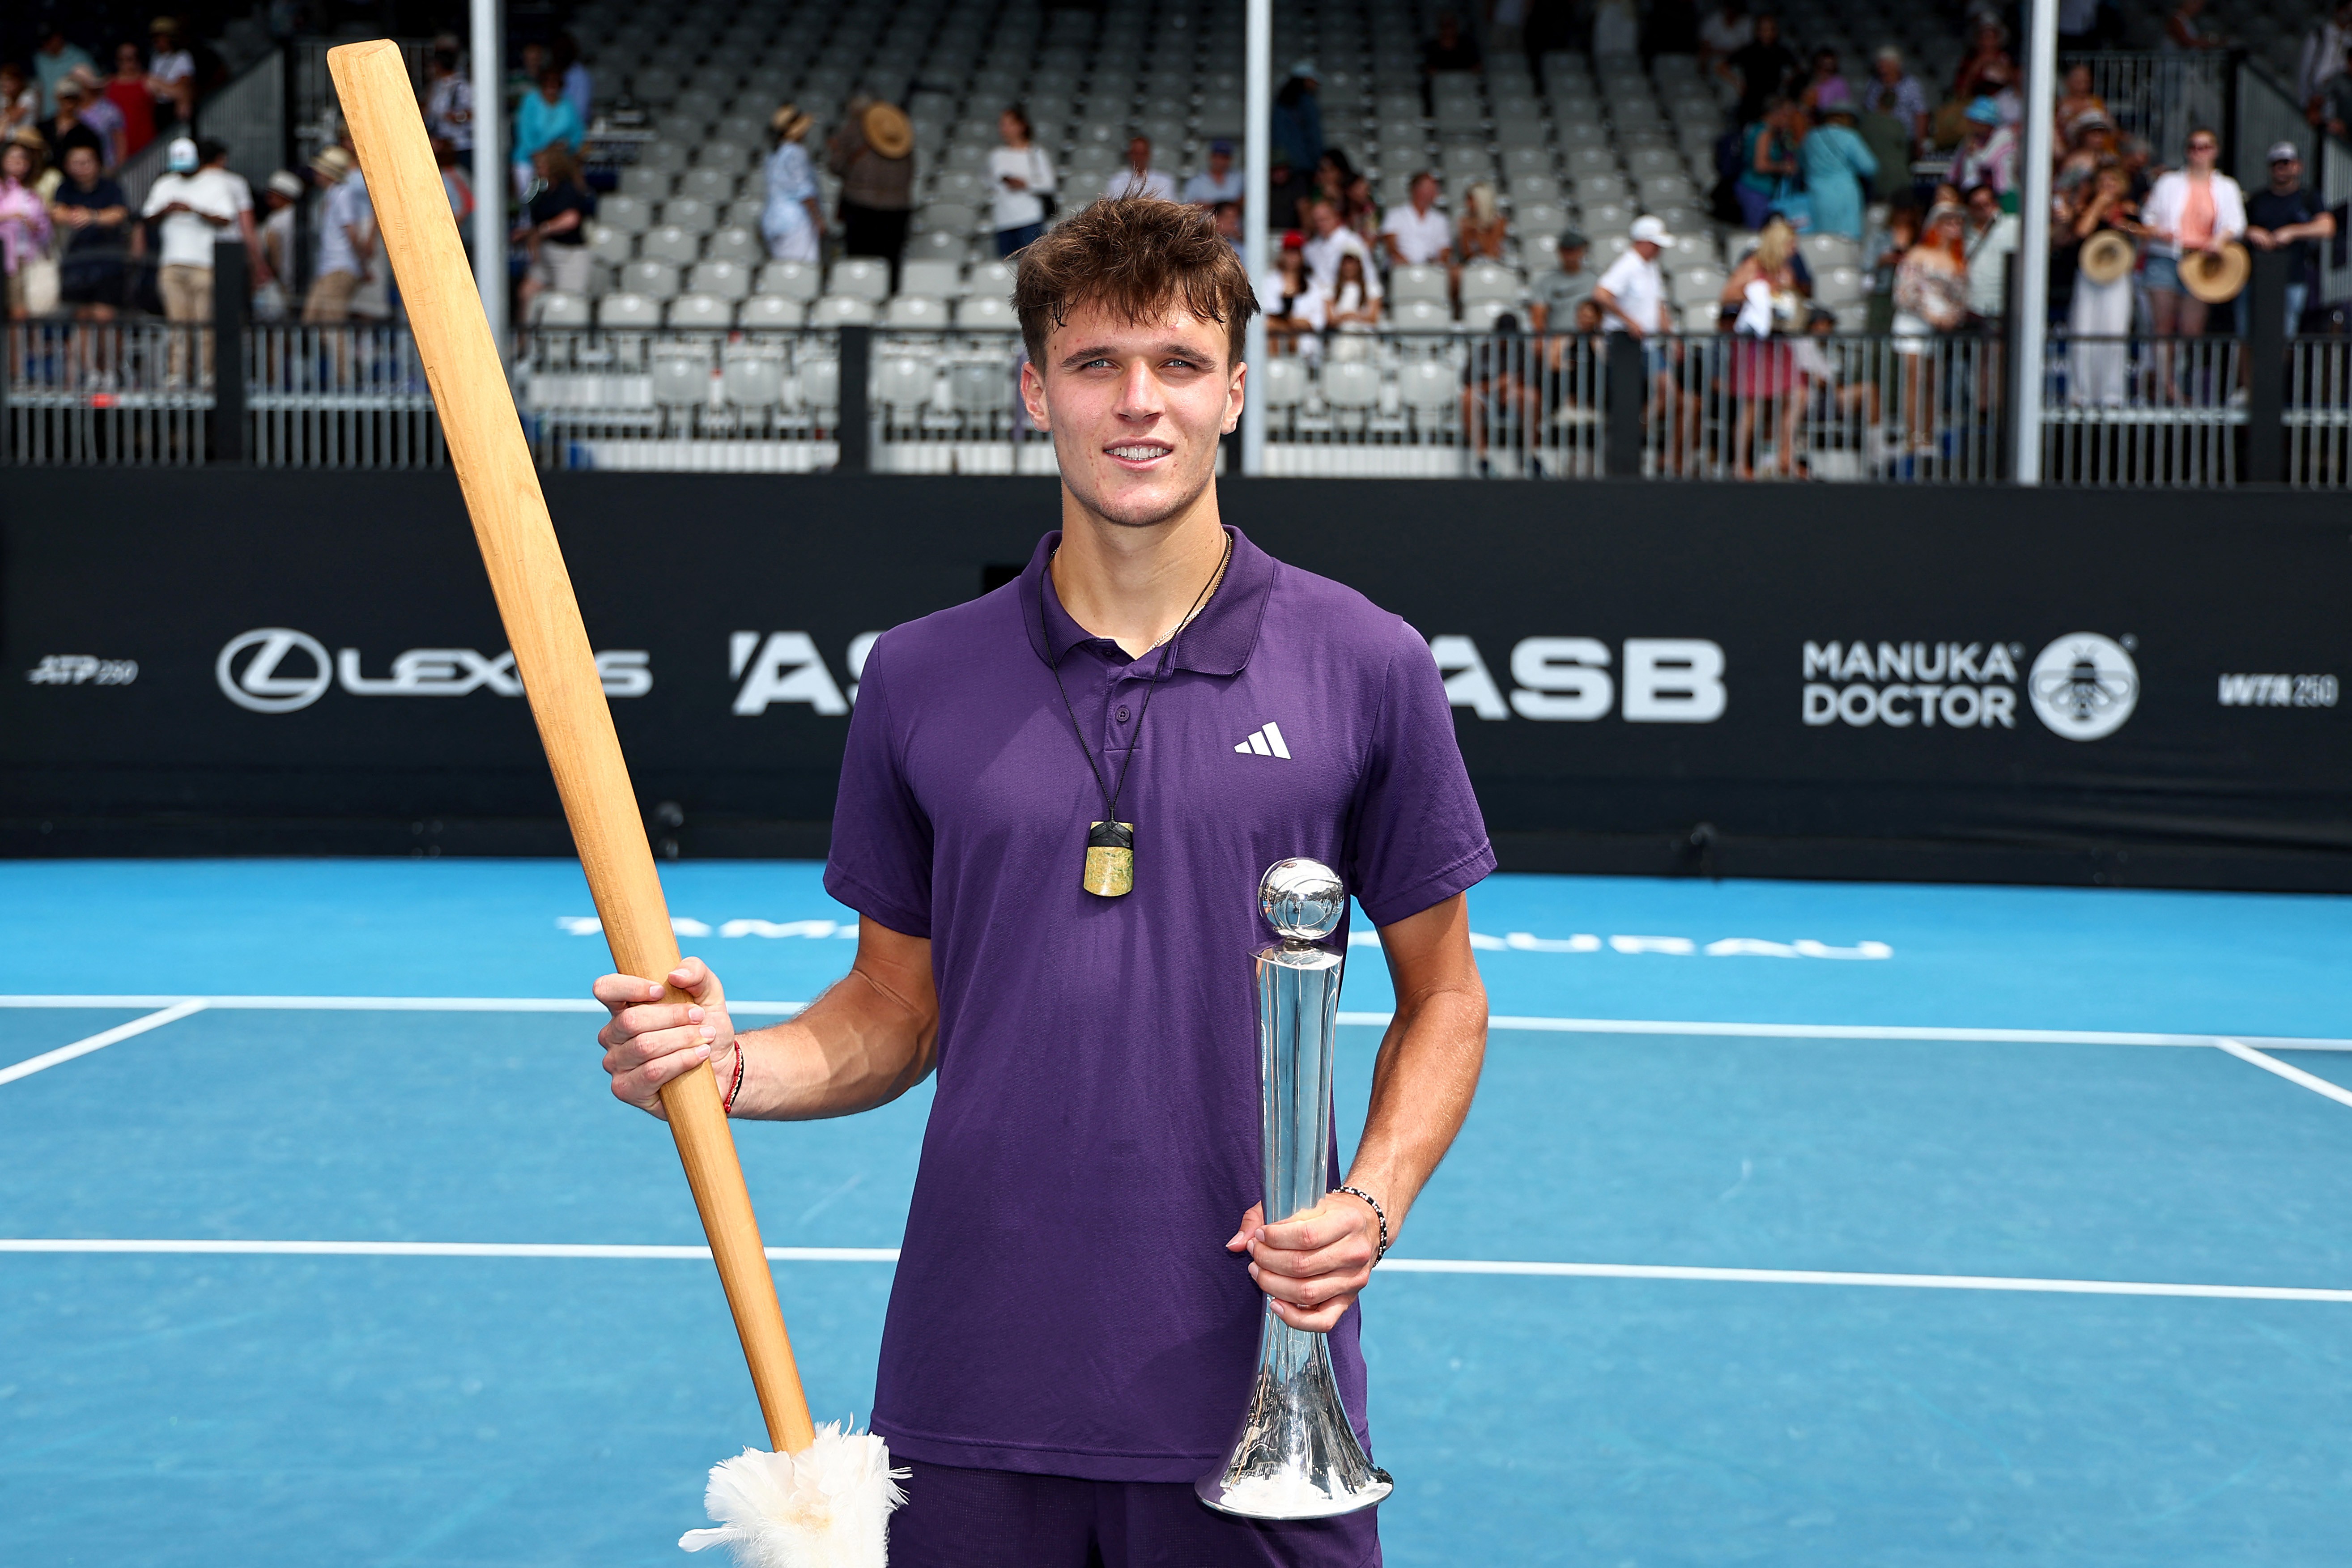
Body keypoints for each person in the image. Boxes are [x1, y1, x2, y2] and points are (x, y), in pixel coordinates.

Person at [593, 193, 1491, 1568]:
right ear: (1035, 390)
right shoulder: (918, 674)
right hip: (971, 1389)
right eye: (1095, 365)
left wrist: (1367, 1201)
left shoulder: (1367, 662)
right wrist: (732, 1063)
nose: (1140, 405)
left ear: (1236, 391)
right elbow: (895, 1006)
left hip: (1254, 1390)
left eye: (1180, 365)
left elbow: (1446, 997)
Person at [2140, 127, 2245, 393]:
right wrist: (2160, 232)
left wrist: (2218, 241)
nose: (2200, 153)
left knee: (2191, 329)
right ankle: (2165, 384)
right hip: (2167, 257)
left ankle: (2183, 383)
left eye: (2206, 147)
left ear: (2216, 151)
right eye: (2195, 147)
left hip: (2202, 262)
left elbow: (2236, 223)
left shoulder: (2227, 186)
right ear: (2187, 152)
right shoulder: (2168, 182)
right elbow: (2148, 216)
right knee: (2162, 325)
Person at [1595, 214, 1694, 468]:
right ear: (1643, 242)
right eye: (1656, 244)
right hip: (1627, 345)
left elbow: (1658, 304)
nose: (1660, 250)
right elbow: (1601, 294)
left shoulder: (1650, 267)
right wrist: (1629, 321)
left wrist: (1671, 338)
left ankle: (1640, 437)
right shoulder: (1627, 264)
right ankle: (1632, 435)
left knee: (1671, 396)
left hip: (1647, 344)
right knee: (1667, 392)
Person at [141, 136, 237, 379]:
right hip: (171, 263)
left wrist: (193, 209)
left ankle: (206, 374)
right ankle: (178, 375)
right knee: (177, 323)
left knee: (204, 322)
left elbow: (227, 218)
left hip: (204, 264)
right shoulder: (165, 184)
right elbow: (147, 218)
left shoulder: (215, 184)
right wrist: (167, 209)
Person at [1721, 215, 1803, 479]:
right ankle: (1739, 464)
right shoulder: (1753, 265)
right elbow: (1727, 295)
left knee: (1798, 394)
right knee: (1752, 405)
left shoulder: (1785, 271)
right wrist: (1756, 293)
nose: (1795, 249)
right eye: (1791, 244)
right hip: (1754, 344)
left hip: (1779, 340)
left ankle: (1785, 455)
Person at [1891, 202, 1968, 450]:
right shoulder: (1918, 254)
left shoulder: (1958, 261)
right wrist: (1930, 315)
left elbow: (1961, 299)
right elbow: (1903, 293)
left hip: (1937, 330)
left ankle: (1928, 435)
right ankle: (1912, 436)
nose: (1953, 227)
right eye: (1948, 222)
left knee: (1933, 382)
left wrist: (1952, 318)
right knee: (1916, 378)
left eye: (1957, 222)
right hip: (1913, 323)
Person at [2065, 162, 2141, 406]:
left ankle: (2112, 392)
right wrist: (2098, 205)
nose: (2109, 186)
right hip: (2089, 273)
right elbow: (2082, 231)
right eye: (2104, 181)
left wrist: (2126, 224)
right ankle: (2080, 392)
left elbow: (2148, 232)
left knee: (2115, 331)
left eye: (2114, 181)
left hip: (2118, 275)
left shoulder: (2129, 211)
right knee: (2083, 330)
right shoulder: (2086, 209)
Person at [2246, 141, 2334, 334]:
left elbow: (2328, 227)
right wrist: (2252, 231)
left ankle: (2282, 366)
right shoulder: (2258, 199)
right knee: (2250, 332)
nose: (2280, 168)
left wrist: (2292, 232)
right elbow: (2236, 227)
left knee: (2286, 333)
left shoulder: (2308, 197)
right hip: (2256, 275)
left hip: (2293, 276)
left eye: (2286, 163)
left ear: (2297, 166)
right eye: (2275, 163)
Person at [829, 97, 916, 286]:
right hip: (898, 208)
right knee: (890, 261)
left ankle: (859, 299)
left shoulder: (854, 129)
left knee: (860, 261)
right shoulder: (900, 131)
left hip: (861, 206)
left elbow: (836, 166)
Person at [48, 141, 127, 334]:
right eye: (76, 163)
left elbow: (119, 214)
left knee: (105, 317)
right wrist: (74, 216)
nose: (81, 168)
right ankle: (84, 364)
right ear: (67, 166)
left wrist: (92, 217)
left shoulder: (111, 188)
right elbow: (57, 212)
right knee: (81, 317)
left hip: (108, 262)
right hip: (77, 262)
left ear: (98, 163)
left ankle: (109, 363)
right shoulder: (65, 188)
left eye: (86, 162)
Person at [517, 143, 595, 311]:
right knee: (527, 293)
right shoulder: (545, 190)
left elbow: (570, 219)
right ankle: (524, 337)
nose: (538, 169)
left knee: (566, 304)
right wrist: (528, 233)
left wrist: (542, 231)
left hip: (568, 256)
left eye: (542, 165)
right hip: (547, 253)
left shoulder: (568, 189)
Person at [303, 145, 374, 325]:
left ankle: (342, 355)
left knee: (331, 324)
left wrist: (362, 264)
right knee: (312, 319)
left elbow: (351, 231)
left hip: (341, 267)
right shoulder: (332, 195)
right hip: (330, 267)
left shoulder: (343, 195)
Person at [1801, 101, 1877, 240]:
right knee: (1847, 240)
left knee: (1820, 238)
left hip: (1817, 193)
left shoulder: (1811, 137)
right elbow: (1870, 167)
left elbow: (1803, 164)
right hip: (1844, 193)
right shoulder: (1850, 137)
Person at [1858, 46, 1927, 195]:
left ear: (1897, 65)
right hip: (1877, 141)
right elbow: (1867, 111)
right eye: (1880, 65)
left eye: (1886, 65)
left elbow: (1920, 114)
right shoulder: (1873, 84)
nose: (1882, 69)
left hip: (1903, 140)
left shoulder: (1911, 85)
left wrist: (1919, 141)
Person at [0, 133, 53, 321]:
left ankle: (19, 350)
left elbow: (46, 232)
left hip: (25, 258)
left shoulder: (33, 194)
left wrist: (36, 226)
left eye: (22, 158)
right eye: (12, 157)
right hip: (3, 257)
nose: (17, 162)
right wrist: (12, 216)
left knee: (21, 313)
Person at [988, 106, 1054, 257]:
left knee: (1032, 267)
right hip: (1003, 220)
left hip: (1030, 219)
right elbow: (992, 181)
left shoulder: (1037, 153)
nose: (1004, 129)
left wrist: (1026, 184)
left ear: (1021, 125)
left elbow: (1049, 184)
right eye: (1002, 124)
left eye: (1009, 124)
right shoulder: (997, 155)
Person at [761, 103, 823, 263]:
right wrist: (818, 219)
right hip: (795, 222)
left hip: (773, 219)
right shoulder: (797, 153)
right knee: (801, 270)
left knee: (782, 267)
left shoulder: (774, 154)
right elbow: (804, 190)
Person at [512, 67, 584, 198]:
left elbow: (577, 133)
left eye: (556, 84)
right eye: (548, 84)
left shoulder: (568, 104)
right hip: (529, 159)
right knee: (527, 198)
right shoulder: (530, 101)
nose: (551, 88)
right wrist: (539, 155)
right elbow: (524, 131)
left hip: (558, 161)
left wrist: (567, 145)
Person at [1736, 97, 1801, 231]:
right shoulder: (1764, 132)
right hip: (1756, 189)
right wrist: (1784, 167)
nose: (1789, 121)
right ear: (1776, 113)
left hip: (1760, 190)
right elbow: (1760, 165)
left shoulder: (1760, 129)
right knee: (1758, 232)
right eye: (1786, 116)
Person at [1259, 230, 1327, 357]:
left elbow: (1318, 322)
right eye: (1289, 252)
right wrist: (1295, 324)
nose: (1292, 258)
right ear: (1283, 254)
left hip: (1306, 351)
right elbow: (1266, 321)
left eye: (1296, 253)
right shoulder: (1269, 282)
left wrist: (1284, 323)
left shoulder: (1313, 285)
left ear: (1302, 256)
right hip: (1273, 349)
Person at [1725, 14, 1799, 124]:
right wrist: (1738, 82)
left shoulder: (1781, 51)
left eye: (1770, 30)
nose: (1767, 33)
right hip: (1751, 99)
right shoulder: (1748, 50)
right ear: (1757, 31)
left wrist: (1789, 79)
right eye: (1763, 30)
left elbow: (1798, 68)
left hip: (1774, 99)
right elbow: (1721, 66)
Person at [1303, 196, 1380, 300]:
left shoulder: (1352, 242)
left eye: (1324, 219)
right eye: (1316, 221)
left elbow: (1369, 275)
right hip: (1319, 301)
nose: (1320, 224)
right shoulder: (1311, 247)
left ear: (1336, 217)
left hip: (1346, 300)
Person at [1961, 181, 2017, 323]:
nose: (1985, 209)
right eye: (1978, 206)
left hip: (2005, 306)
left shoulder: (2014, 226)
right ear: (1970, 209)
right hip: (1971, 308)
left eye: (1988, 203)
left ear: (1996, 203)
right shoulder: (1961, 233)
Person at [1950, 98, 2017, 209]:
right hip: (1976, 194)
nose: (1973, 125)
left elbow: (1987, 161)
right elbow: (1956, 165)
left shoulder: (2004, 136)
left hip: (2004, 192)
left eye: (1978, 121)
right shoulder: (1972, 139)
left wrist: (1973, 152)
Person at [1525, 229, 1596, 334]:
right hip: (1558, 338)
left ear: (1583, 251)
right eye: (1567, 250)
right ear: (1560, 251)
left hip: (1588, 338)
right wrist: (1541, 340)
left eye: (1575, 250)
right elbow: (1538, 314)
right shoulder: (1547, 282)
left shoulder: (1595, 280)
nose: (1571, 255)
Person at [1377, 170, 1450, 269]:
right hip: (1402, 267)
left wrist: (1439, 262)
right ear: (1416, 189)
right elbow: (1390, 245)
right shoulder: (1395, 215)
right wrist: (1402, 261)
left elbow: (1445, 249)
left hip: (1432, 269)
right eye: (1430, 188)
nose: (1435, 192)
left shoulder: (1440, 219)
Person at [39, 75, 103, 172]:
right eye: (66, 98)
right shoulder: (43, 127)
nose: (69, 103)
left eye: (73, 98)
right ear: (58, 97)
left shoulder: (87, 134)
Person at [1271, 61, 1323, 177]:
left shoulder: (1279, 104)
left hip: (1280, 166)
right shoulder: (1307, 102)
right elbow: (1313, 134)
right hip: (1304, 165)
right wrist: (1318, 160)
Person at [104, 44, 156, 161]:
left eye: (130, 59)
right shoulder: (108, 84)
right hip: (117, 149)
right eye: (121, 59)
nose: (126, 63)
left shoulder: (148, 81)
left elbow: (181, 91)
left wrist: (184, 103)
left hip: (146, 147)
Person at [423, 46, 475, 154]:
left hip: (460, 143)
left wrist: (459, 117)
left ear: (439, 65)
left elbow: (474, 112)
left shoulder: (462, 86)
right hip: (441, 142)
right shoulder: (437, 85)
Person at [33, 27, 95, 118]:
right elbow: (38, 90)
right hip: (49, 118)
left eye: (49, 39)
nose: (46, 44)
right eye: (43, 40)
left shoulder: (79, 57)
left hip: (77, 119)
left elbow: (94, 88)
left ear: (58, 37)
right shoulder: (39, 60)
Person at [145, 17, 195, 129]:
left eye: (160, 37)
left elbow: (184, 84)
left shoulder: (182, 57)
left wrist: (163, 87)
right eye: (155, 38)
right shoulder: (156, 59)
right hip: (160, 106)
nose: (157, 41)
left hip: (175, 106)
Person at [1102, 136, 1177, 203]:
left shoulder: (1165, 181)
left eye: (1142, 154)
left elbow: (1167, 207)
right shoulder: (1117, 180)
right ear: (1130, 155)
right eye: (1136, 153)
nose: (1139, 158)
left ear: (1149, 154)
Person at [1327, 250, 1381, 330]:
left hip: (1364, 333)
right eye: (1346, 264)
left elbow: (1373, 319)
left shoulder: (1372, 288)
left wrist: (1353, 316)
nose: (1349, 268)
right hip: (1340, 333)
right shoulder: (1331, 289)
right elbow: (1330, 320)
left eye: (1352, 264)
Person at [1699, 0, 1755, 77]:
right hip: (1715, 60)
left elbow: (1749, 49)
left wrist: (1731, 54)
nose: (1732, 11)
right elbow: (1705, 45)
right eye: (1730, 7)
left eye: (1735, 8)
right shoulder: (1714, 19)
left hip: (1739, 62)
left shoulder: (1748, 22)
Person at [1456, 180, 1507, 263]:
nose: (1468, 204)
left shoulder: (1499, 222)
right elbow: (1467, 253)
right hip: (1473, 266)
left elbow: (1491, 252)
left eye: (1471, 200)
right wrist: (1468, 231)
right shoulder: (1465, 222)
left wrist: (1478, 229)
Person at [1182, 140, 1241, 207]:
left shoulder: (1238, 179)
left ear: (1230, 160)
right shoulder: (1197, 181)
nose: (1220, 161)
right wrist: (1215, 207)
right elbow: (1188, 206)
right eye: (1217, 157)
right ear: (1210, 157)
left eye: (1224, 158)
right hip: (1204, 217)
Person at [1, 63, 38, 138]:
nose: (6, 85)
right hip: (7, 138)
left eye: (9, 80)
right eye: (3, 81)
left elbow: (14, 118)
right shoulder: (4, 98)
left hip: (26, 138)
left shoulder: (29, 95)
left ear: (18, 81)